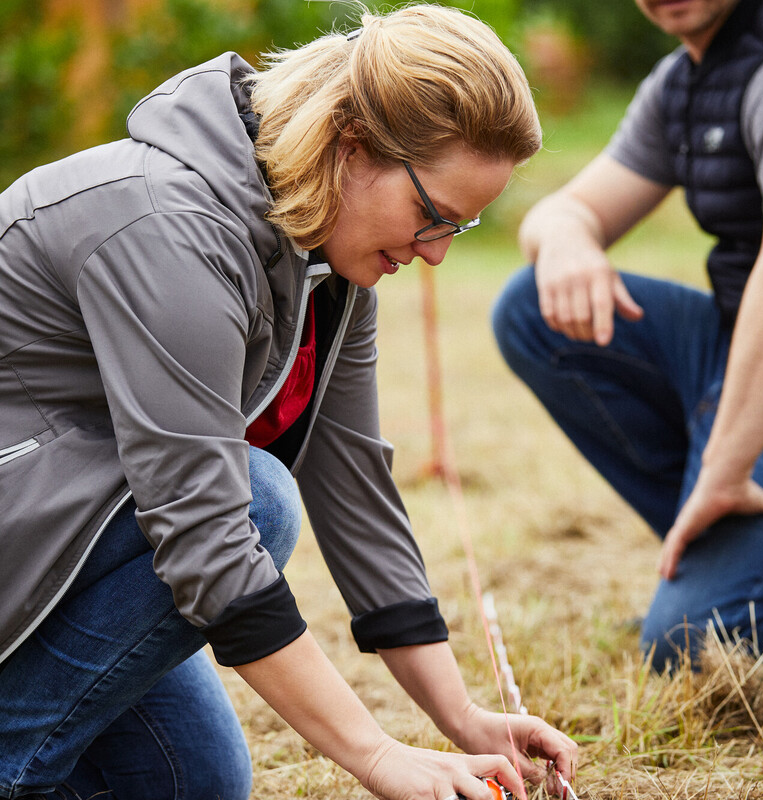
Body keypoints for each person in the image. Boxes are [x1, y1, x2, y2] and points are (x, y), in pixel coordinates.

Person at [0, 5, 578, 799]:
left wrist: (462, 717)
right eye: (433, 215)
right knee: (257, 499)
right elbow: (204, 531)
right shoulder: (168, 228)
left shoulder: (330, 266)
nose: (438, 251)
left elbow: (353, 487)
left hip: (60, 545)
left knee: (190, 781)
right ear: (351, 145)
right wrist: (377, 756)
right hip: (26, 540)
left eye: (463, 227)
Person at [492, 0, 763, 672]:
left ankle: (731, 578)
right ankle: (721, 564)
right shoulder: (683, 83)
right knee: (530, 306)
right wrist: (569, 235)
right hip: (737, 341)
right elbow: (559, 211)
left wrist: (724, 468)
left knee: (691, 641)